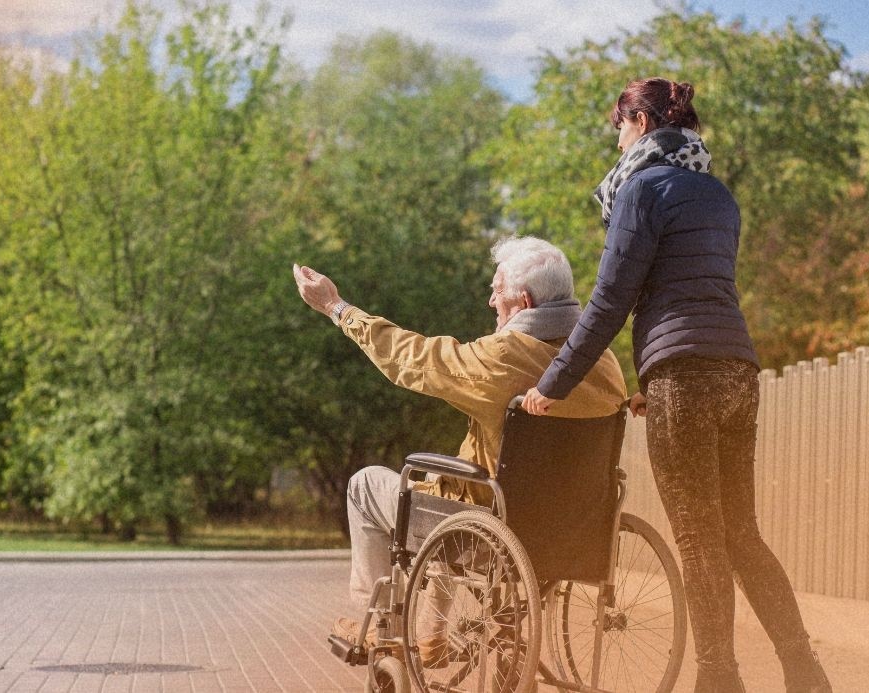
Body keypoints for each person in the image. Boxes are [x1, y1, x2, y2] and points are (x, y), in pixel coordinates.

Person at [520, 78, 831, 693]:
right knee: (741, 532)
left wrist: (553, 383)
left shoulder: (641, 189)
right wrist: (647, 384)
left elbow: (612, 299)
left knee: (698, 535)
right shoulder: (719, 196)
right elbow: (694, 295)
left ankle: (717, 679)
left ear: (638, 122)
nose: (614, 139)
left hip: (683, 380)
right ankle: (806, 673)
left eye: (617, 125)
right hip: (737, 371)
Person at [292, 236, 627, 650]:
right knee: (454, 480)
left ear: (522, 301)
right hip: (576, 534)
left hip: (493, 535)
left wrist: (336, 308)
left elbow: (411, 357)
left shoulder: (501, 357)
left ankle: (377, 626)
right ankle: (431, 636)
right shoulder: (605, 362)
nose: (490, 301)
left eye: (496, 288)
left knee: (370, 485)